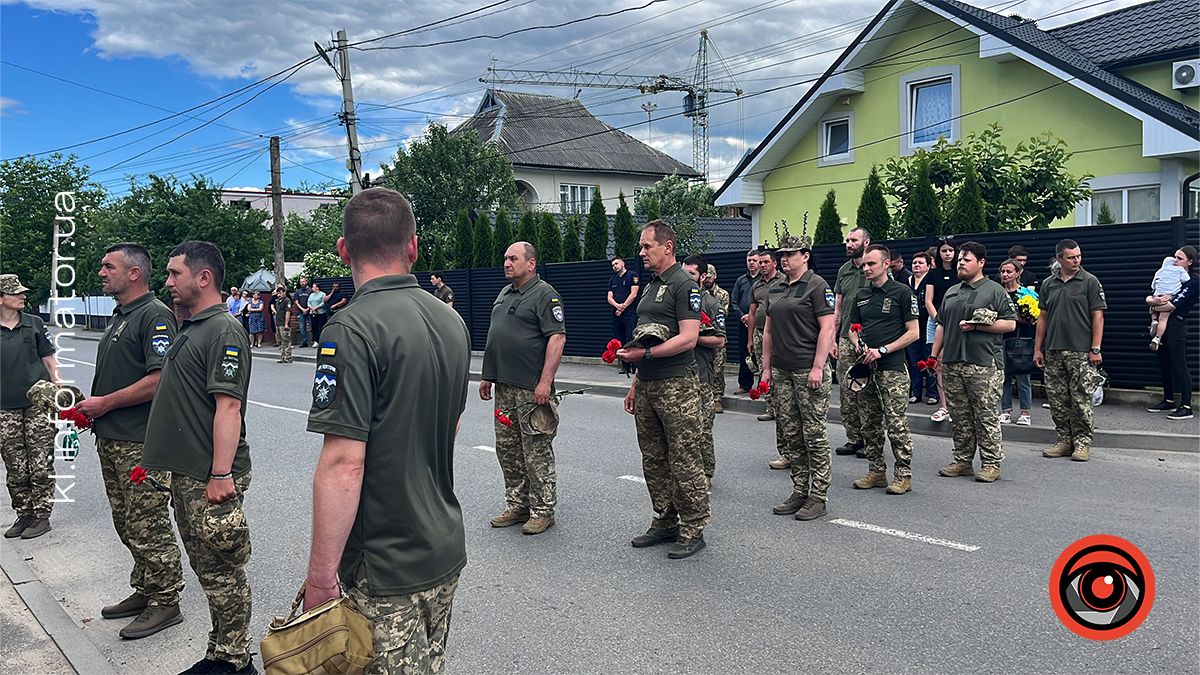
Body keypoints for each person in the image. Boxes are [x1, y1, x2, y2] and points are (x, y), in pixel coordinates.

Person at [303, 188, 470, 673]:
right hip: (441, 543)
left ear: (343, 250)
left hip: (384, 564)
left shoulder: (349, 329)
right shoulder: (452, 321)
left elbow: (342, 464)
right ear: (413, 247)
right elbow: (448, 426)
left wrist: (320, 579)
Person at [141, 241, 254, 675]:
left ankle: (235, 661)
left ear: (203, 278)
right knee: (208, 570)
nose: (167, 282)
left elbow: (229, 406)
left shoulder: (223, 329)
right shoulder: (192, 326)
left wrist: (221, 474)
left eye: (174, 274)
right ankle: (222, 652)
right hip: (189, 474)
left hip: (211, 476)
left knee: (222, 571)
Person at [75, 244, 185, 639]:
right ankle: (146, 588)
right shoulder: (122, 316)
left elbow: (159, 381)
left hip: (140, 444)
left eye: (109, 266)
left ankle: (166, 601)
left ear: (135, 273)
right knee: (126, 522)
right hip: (113, 437)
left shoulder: (154, 316)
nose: (101, 272)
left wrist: (105, 402)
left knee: (148, 524)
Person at [616, 220, 710, 560]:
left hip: (677, 385)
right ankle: (665, 519)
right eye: (641, 247)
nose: (641, 253)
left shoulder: (685, 285)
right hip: (648, 384)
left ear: (667, 247)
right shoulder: (650, 285)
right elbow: (644, 334)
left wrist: (647, 355)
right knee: (653, 458)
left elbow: (689, 338)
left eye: (647, 246)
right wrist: (635, 381)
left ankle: (693, 527)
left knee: (684, 458)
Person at [480, 242, 567, 535]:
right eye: (505, 257)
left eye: (513, 258)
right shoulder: (505, 293)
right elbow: (496, 337)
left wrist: (544, 382)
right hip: (504, 386)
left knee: (536, 449)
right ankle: (517, 504)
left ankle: (543, 510)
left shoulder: (545, 295)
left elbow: (557, 339)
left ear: (531, 264)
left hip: (531, 389)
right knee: (507, 449)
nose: (506, 262)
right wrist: (487, 376)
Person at [760, 234, 835, 520]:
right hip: (781, 369)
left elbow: (827, 329)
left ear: (805, 256)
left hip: (807, 368)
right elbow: (767, 331)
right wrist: (766, 368)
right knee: (792, 434)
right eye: (782, 254)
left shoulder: (817, 285)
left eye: (791, 254)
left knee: (813, 434)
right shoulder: (776, 287)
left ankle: (818, 496)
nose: (784, 259)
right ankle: (800, 490)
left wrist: (818, 366)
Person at [931, 242, 1016, 483]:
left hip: (983, 364)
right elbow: (942, 325)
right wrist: (935, 356)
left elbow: (1010, 324)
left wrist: (977, 326)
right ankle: (962, 460)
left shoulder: (994, 290)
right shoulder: (952, 291)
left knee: (985, 414)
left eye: (966, 260)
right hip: (953, 362)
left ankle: (991, 463)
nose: (960, 263)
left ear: (981, 263)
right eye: (959, 260)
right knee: (959, 415)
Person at [847, 245, 920, 495]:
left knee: (896, 423)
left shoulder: (902, 292)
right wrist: (859, 345)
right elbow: (852, 329)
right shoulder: (861, 295)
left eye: (872, 264)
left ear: (886, 264)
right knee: (869, 423)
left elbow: (914, 332)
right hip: (866, 370)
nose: (866, 268)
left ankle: (903, 474)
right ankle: (876, 471)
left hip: (893, 369)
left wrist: (884, 350)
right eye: (865, 265)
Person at [1035, 239, 1106, 462]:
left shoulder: (1090, 281)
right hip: (1054, 350)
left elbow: (1098, 316)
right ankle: (1064, 440)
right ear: (1059, 259)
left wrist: (1095, 348)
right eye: (1071, 257)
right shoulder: (1048, 283)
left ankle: (1082, 442)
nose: (1077, 260)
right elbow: (1043, 317)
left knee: (1081, 398)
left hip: (1081, 351)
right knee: (1057, 399)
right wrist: (1038, 348)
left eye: (1078, 256)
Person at [0, 274, 59, 540]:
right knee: (15, 464)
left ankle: (42, 516)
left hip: (37, 404)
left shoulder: (34, 324)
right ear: (2, 298)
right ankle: (24, 514)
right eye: (16, 293)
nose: (23, 296)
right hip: (5, 408)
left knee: (40, 461)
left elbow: (48, 358)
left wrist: (58, 384)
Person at [682, 256, 726, 481]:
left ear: (702, 277)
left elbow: (719, 340)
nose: (686, 278)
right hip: (677, 375)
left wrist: (692, 338)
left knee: (703, 427)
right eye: (683, 272)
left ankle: (706, 472)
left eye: (691, 274)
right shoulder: (678, 298)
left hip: (701, 375)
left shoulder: (711, 303)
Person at [833, 227, 871, 457]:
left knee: (867, 391)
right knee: (847, 390)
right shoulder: (844, 270)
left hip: (870, 339)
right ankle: (853, 438)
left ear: (866, 242)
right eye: (847, 240)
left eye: (853, 240)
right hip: (846, 337)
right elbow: (837, 307)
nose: (848, 244)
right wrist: (833, 339)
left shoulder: (874, 268)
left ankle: (870, 439)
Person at [1147, 246, 1197, 420]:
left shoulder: (1192, 282)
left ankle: (1186, 406)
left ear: (1189, 262)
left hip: (1177, 325)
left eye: (1180, 258)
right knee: (1164, 362)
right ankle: (1168, 400)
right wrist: (1153, 301)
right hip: (1162, 324)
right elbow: (1152, 294)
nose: (1175, 260)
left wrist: (1153, 304)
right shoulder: (1167, 274)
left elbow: (1172, 305)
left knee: (1179, 363)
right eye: (1175, 257)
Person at [997, 259, 1035, 426]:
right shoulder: (997, 293)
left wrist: (1017, 317)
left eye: (1009, 272)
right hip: (1000, 339)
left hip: (1022, 338)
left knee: (1023, 376)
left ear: (1018, 273)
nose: (1005, 275)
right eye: (1003, 271)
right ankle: (1005, 411)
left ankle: (1025, 412)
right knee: (1003, 376)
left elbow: (1034, 318)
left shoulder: (1027, 294)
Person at [925, 236, 958, 423]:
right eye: (944, 250)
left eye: (950, 251)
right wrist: (937, 318)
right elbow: (928, 300)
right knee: (937, 362)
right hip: (935, 321)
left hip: (955, 321)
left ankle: (955, 406)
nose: (947, 254)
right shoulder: (933, 274)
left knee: (951, 362)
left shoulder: (959, 272)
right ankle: (944, 407)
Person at [747, 247, 782, 424]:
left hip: (779, 332)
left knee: (779, 369)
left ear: (775, 263)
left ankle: (782, 406)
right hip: (760, 332)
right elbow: (751, 313)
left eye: (766, 262)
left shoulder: (783, 281)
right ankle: (770, 407)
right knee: (763, 369)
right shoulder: (757, 285)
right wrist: (750, 338)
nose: (762, 265)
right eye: (760, 262)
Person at [906, 252, 938, 404]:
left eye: (920, 263)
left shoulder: (931, 281)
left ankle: (932, 393)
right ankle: (916, 392)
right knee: (914, 360)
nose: (916, 265)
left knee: (929, 358)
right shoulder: (907, 281)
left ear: (928, 266)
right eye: (914, 262)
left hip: (927, 324)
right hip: (912, 325)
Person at [1146, 255, 1189, 351]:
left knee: (1153, 308)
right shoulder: (1179, 270)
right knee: (1163, 319)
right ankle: (1157, 338)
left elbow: (1153, 285)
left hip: (1158, 295)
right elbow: (1186, 280)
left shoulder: (1159, 271)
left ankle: (1153, 321)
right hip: (1169, 296)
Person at [731, 250, 759, 394]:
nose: (751, 263)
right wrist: (743, 316)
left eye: (754, 260)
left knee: (761, 353)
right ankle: (745, 384)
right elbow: (734, 302)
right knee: (745, 353)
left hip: (760, 323)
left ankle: (762, 385)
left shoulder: (763, 280)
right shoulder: (741, 280)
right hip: (743, 324)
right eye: (749, 260)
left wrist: (753, 316)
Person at [704, 264, 730, 412]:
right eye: (705, 276)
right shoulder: (697, 293)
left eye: (709, 276)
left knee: (718, 367)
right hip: (702, 335)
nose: (707, 279)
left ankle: (717, 398)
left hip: (716, 334)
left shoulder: (722, 294)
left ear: (715, 276)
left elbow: (722, 313)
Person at [607, 257, 640, 375]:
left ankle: (634, 365)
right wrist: (617, 306)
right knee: (619, 339)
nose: (614, 266)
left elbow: (634, 293)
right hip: (616, 314)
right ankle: (624, 365)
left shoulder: (632, 275)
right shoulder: (613, 280)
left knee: (631, 338)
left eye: (616, 263)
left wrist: (623, 307)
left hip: (629, 313)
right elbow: (609, 297)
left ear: (622, 263)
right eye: (612, 265)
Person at [272, 285, 293, 364]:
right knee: (281, 341)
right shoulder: (278, 301)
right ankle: (283, 357)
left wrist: (286, 324)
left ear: (284, 292)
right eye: (278, 293)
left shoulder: (287, 301)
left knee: (286, 340)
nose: (279, 295)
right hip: (278, 323)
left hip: (283, 324)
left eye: (280, 293)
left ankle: (288, 357)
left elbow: (288, 312)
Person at [292, 277, 312, 348]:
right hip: (301, 312)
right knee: (301, 328)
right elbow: (296, 302)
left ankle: (313, 341)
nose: (302, 283)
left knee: (312, 327)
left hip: (310, 311)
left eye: (303, 282)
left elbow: (313, 301)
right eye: (301, 282)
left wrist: (307, 309)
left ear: (306, 282)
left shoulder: (311, 290)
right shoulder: (298, 291)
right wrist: (303, 309)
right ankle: (304, 342)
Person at [307, 281, 329, 346]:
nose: (312, 288)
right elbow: (308, 302)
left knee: (321, 326)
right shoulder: (311, 295)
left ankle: (322, 339)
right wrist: (311, 308)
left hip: (321, 313)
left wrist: (316, 307)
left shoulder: (322, 294)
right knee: (314, 327)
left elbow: (323, 302)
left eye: (313, 287)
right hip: (313, 313)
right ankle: (315, 341)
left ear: (317, 288)